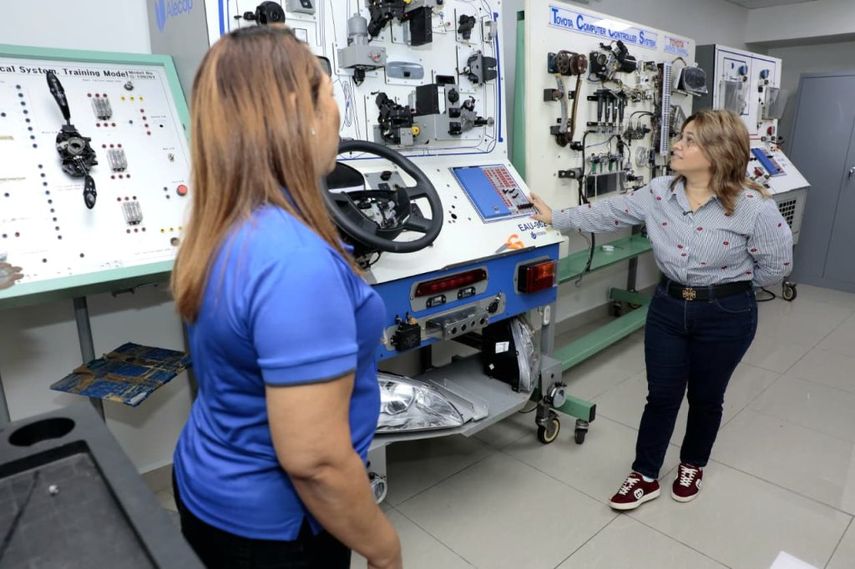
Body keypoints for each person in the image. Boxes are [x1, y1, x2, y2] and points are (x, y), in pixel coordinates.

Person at [169, 25, 402, 568]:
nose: (338, 113)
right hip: (276, 529)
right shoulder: (296, 262)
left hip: (207, 482)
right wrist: (383, 547)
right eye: (328, 91)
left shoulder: (226, 224)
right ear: (300, 109)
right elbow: (316, 461)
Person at [530, 109, 793, 510]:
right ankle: (645, 474)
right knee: (662, 395)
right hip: (668, 308)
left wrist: (727, 291)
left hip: (726, 315)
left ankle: (693, 464)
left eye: (689, 140)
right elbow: (609, 211)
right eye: (680, 136)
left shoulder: (753, 207)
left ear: (718, 151)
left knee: (707, 397)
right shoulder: (658, 193)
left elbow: (777, 267)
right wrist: (557, 217)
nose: (676, 145)